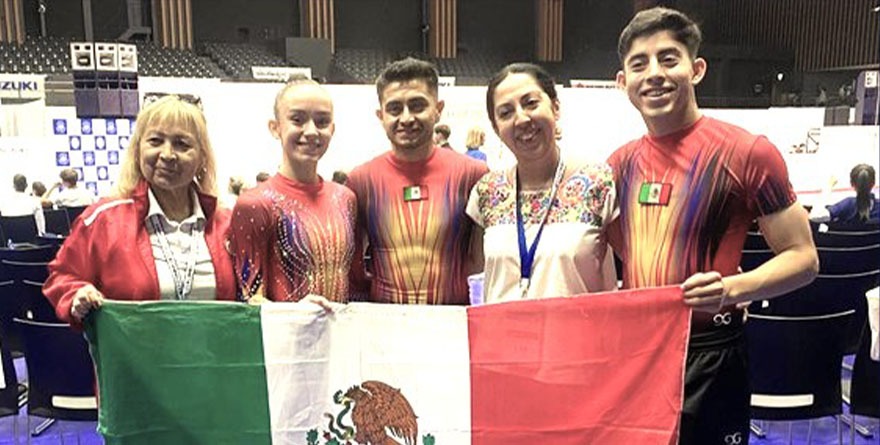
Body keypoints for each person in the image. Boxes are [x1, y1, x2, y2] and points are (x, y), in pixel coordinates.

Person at [608, 7, 818, 444]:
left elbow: (804, 259)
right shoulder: (619, 164)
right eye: (639, 63)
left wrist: (731, 290)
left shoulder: (748, 152)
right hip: (639, 351)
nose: (655, 74)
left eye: (669, 59)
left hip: (711, 355)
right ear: (622, 82)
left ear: (696, 69)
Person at [43, 95, 237, 325]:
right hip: (134, 360)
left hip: (211, 358)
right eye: (155, 141)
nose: (167, 155)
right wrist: (77, 293)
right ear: (138, 150)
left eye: (182, 144)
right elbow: (62, 276)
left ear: (202, 157)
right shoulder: (103, 220)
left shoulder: (227, 224)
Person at [467, 63, 617, 303]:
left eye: (531, 103)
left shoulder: (599, 183)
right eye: (506, 112)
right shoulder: (486, 192)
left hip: (579, 336)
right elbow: (476, 271)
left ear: (555, 107)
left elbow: (636, 268)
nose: (522, 118)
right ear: (496, 128)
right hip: (505, 337)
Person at [346, 57, 488, 305]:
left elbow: (480, 262)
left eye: (417, 105)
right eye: (394, 109)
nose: (407, 118)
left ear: (438, 109)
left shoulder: (472, 174)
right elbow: (354, 268)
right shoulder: (361, 181)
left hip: (452, 324)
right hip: (383, 326)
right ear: (381, 115)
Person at [229, 76, 356, 303]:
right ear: (275, 128)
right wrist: (294, 315)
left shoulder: (345, 198)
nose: (311, 131)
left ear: (333, 129)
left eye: (322, 121)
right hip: (285, 337)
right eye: (297, 120)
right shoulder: (255, 204)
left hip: (341, 336)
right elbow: (248, 299)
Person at [810, 164, 878, 223]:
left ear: (852, 184)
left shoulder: (848, 205)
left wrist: (828, 187)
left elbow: (815, 217)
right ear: (873, 183)